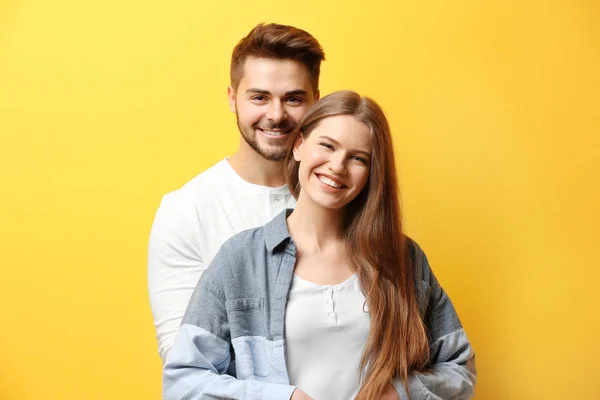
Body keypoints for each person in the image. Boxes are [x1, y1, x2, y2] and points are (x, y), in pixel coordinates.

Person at [163, 90, 477, 400]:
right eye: (327, 146)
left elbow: (459, 368)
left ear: (371, 174)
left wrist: (399, 394)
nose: (338, 166)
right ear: (299, 145)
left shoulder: (403, 259)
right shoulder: (240, 260)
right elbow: (183, 382)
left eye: (357, 158)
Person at [148, 23, 325, 363]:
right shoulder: (185, 210)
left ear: (315, 102)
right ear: (232, 98)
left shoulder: (341, 198)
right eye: (259, 97)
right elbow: (183, 361)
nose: (276, 115)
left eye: (293, 98)